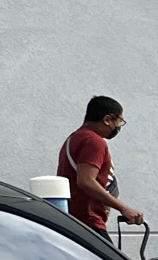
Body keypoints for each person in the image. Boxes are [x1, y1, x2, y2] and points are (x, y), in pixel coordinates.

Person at [58, 97, 144, 234]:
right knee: (106, 250)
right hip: (88, 219)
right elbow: (86, 181)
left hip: (74, 218)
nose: (118, 126)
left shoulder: (74, 138)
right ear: (107, 119)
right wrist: (123, 208)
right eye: (119, 121)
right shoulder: (93, 141)